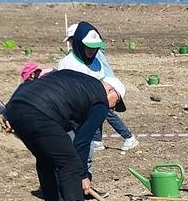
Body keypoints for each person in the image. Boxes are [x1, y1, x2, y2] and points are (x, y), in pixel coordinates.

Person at [4, 69, 127, 201]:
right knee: (71, 164)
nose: (112, 108)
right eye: (116, 101)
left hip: (16, 107)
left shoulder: (71, 76)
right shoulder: (100, 101)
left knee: (46, 158)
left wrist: (8, 113)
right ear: (110, 89)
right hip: (42, 113)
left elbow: (29, 84)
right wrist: (83, 175)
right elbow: (82, 141)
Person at [57, 21, 140, 155]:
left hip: (96, 102)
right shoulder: (67, 63)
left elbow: (100, 82)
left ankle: (124, 137)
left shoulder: (96, 62)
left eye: (95, 47)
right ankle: (111, 139)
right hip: (74, 118)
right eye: (88, 46)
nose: (92, 50)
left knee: (101, 117)